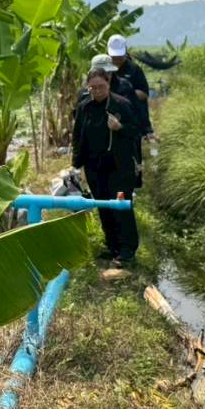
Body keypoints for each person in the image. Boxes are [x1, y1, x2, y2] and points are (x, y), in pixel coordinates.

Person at [72, 66, 141, 265]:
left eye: (101, 87)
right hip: (94, 167)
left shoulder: (122, 104)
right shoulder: (84, 107)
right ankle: (112, 246)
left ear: (108, 84)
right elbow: (78, 137)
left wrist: (120, 128)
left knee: (120, 207)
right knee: (103, 206)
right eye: (92, 88)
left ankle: (127, 250)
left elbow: (136, 131)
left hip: (119, 167)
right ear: (88, 88)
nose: (97, 91)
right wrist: (77, 164)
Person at [108, 34, 152, 137]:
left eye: (119, 56)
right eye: (114, 57)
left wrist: (125, 94)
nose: (117, 59)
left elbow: (144, 93)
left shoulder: (134, 69)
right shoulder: (104, 68)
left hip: (131, 116)